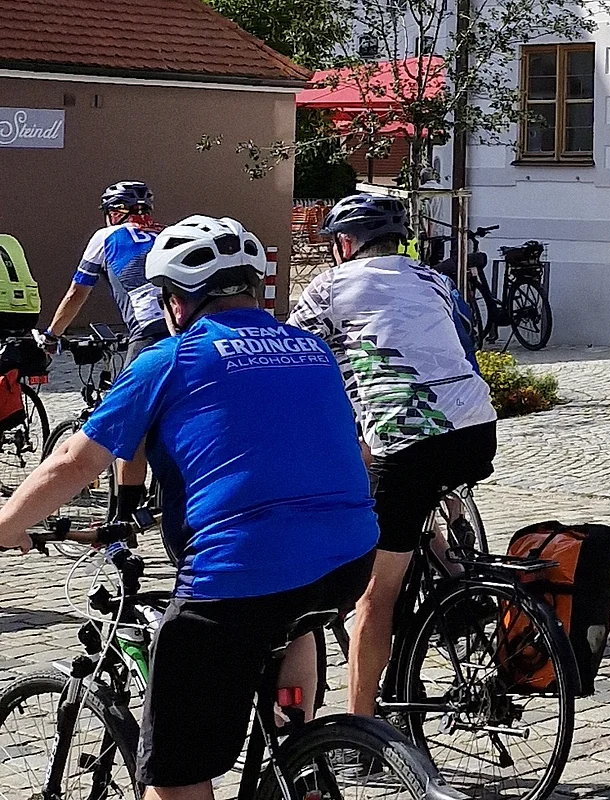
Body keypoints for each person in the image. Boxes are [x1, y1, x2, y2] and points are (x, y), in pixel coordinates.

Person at [0, 215, 378, 800]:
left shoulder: (168, 360)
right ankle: (294, 752)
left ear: (176, 301)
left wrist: (7, 525)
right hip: (349, 557)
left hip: (239, 574)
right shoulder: (312, 349)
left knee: (175, 776)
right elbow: (350, 446)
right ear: (252, 288)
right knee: (293, 614)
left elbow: (75, 462)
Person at [288, 194, 498, 719]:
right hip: (476, 428)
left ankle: (360, 731)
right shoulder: (433, 279)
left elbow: (291, 358)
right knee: (410, 507)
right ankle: (456, 586)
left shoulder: (331, 286)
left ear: (343, 244)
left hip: (407, 442)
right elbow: (465, 349)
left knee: (373, 598)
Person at [48, 181, 166, 526]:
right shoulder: (167, 234)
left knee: (130, 430)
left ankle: (121, 520)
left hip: (147, 336)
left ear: (113, 212)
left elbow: (76, 294)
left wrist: (52, 334)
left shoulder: (105, 237)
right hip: (188, 329)